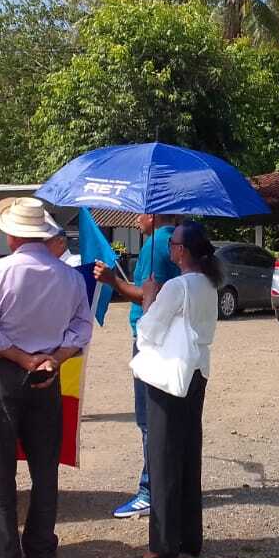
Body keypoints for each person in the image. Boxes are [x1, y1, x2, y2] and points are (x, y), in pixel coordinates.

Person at [0, 198, 92, 558]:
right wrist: (52, 359)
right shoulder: (70, 277)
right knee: (45, 468)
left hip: (4, 375)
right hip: (46, 377)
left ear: (12, 236)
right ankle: (41, 553)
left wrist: (24, 359)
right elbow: (81, 330)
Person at [130, 221, 220, 558]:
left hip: (170, 377)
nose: (169, 248)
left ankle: (164, 545)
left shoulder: (176, 286)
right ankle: (189, 536)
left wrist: (149, 297)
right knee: (187, 452)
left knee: (163, 456)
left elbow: (147, 332)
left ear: (181, 251)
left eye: (173, 244)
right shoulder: (208, 284)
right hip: (196, 372)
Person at [93, 213, 180, 519]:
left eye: (140, 213)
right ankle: (168, 486)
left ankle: (150, 491)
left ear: (152, 215)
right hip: (167, 338)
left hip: (150, 339)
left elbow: (148, 295)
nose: (135, 220)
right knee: (165, 419)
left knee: (149, 421)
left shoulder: (155, 246)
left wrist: (112, 280)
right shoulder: (175, 241)